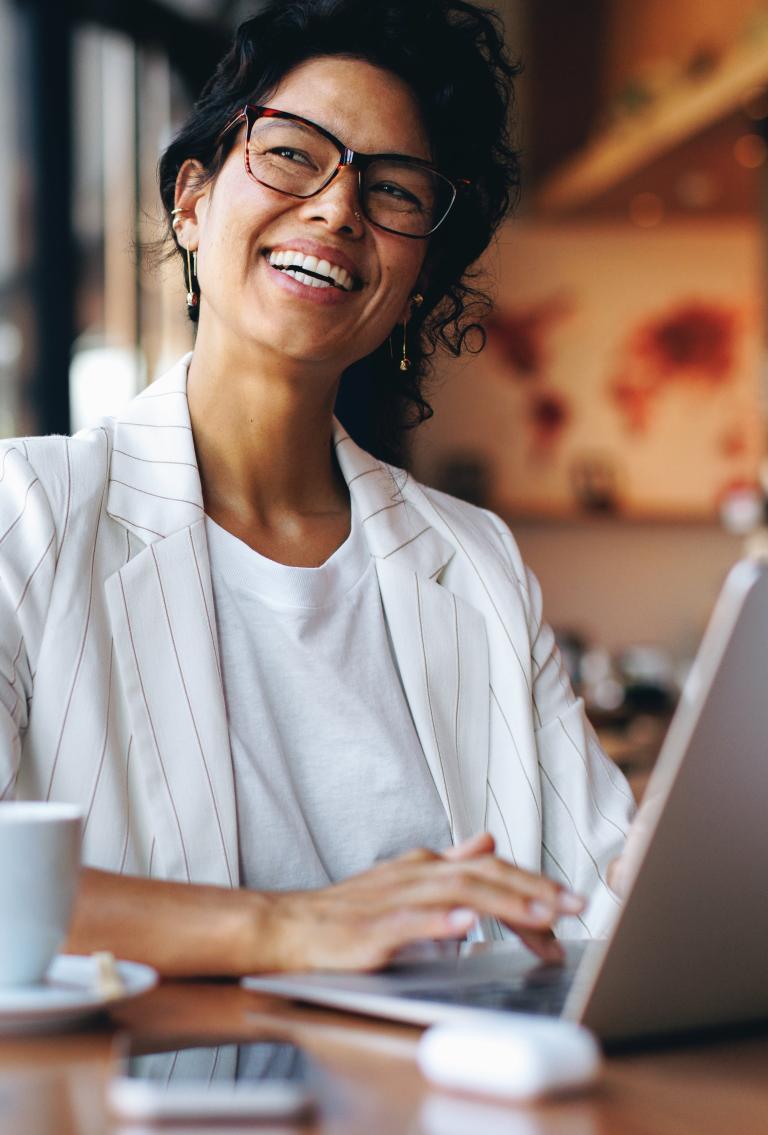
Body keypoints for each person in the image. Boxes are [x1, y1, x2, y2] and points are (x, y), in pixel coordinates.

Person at [0, 0, 634, 977]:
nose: (339, 208)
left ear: (418, 275)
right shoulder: (24, 512)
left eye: (395, 190)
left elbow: (609, 888)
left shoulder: (477, 564)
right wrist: (290, 926)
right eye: (294, 154)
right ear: (193, 201)